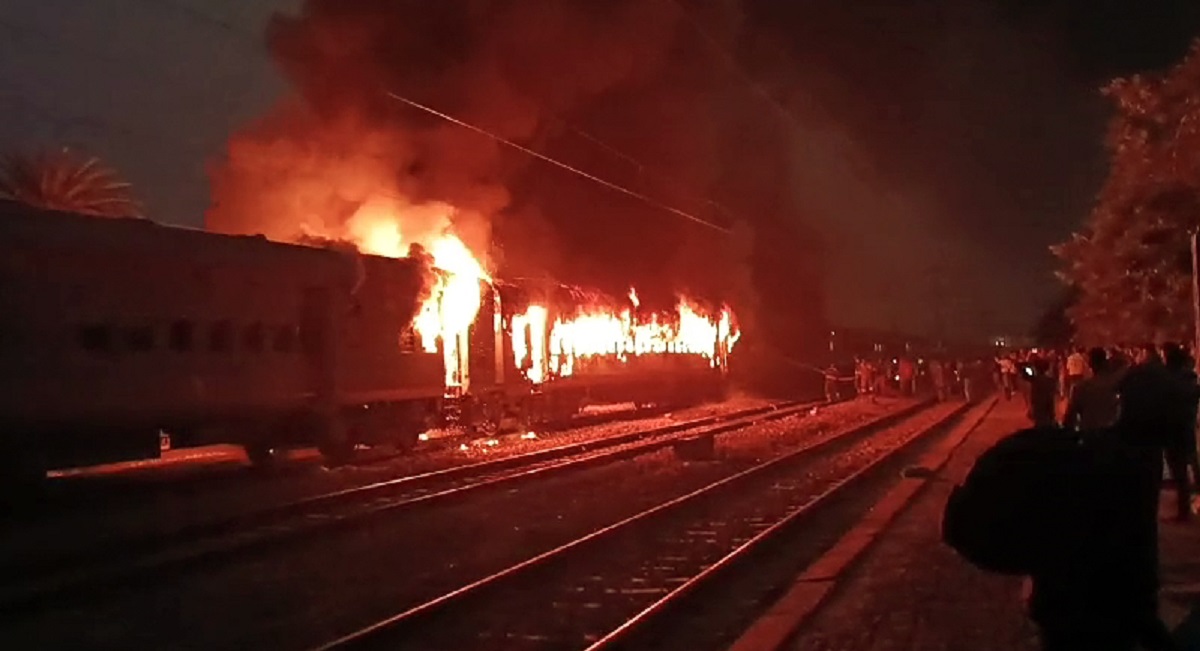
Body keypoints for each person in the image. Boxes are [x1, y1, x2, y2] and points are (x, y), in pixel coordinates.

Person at [1162, 343, 1199, 521]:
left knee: (1179, 470)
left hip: (1172, 429)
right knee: (1189, 462)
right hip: (1187, 425)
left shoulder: (1168, 381)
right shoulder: (1190, 379)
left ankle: (1184, 512)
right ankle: (1188, 505)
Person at [1063, 347, 1120, 432]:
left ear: (1090, 364)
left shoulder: (1081, 388)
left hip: (1089, 435)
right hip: (1110, 437)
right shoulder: (1116, 386)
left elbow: (1070, 419)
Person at [1024, 358, 1058, 428]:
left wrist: (1030, 408)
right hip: (1048, 408)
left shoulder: (1035, 381)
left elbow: (1032, 395)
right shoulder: (1051, 380)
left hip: (1038, 408)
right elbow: (1052, 396)